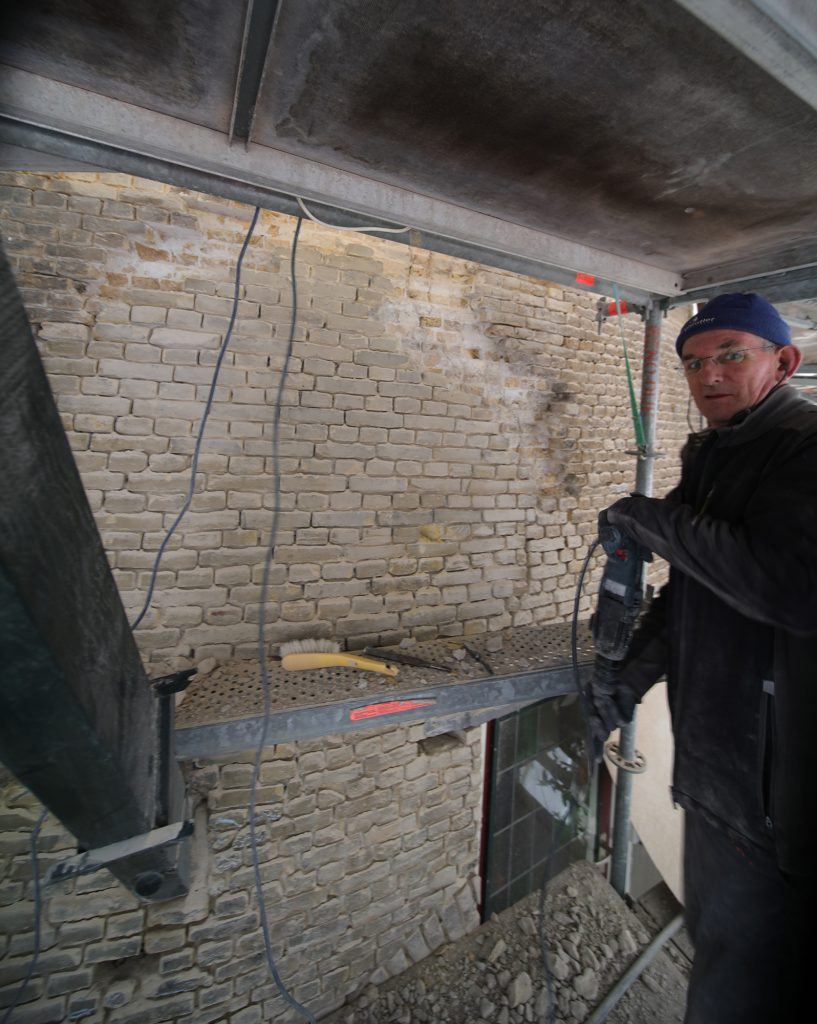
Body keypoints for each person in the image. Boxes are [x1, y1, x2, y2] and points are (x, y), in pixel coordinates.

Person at [589, 292, 817, 1023]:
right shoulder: (715, 457)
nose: (706, 374)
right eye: (691, 362)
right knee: (720, 968)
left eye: (729, 355)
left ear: (782, 361)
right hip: (719, 781)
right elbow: (693, 591)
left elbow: (790, 589)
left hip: (781, 803)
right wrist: (630, 677)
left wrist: (647, 517)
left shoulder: (806, 449)